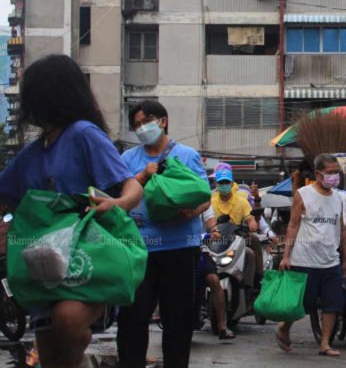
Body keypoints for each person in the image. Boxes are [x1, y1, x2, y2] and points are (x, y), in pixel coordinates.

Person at [0, 55, 143, 368]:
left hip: (87, 259)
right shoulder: (31, 154)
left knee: (67, 319)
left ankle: (83, 345)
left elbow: (132, 186)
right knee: (51, 357)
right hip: (44, 266)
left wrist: (117, 204)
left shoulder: (84, 134)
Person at [117, 100, 211, 368]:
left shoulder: (187, 155)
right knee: (132, 318)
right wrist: (143, 177)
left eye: (144, 121)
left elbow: (205, 197)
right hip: (138, 249)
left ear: (162, 121)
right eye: (136, 125)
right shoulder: (128, 160)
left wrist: (193, 213)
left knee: (179, 321)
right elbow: (119, 197)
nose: (140, 128)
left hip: (180, 248)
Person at [278, 154, 346, 358]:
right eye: (330, 172)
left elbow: (341, 228)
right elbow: (293, 225)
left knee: (332, 304)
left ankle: (325, 343)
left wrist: (345, 259)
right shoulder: (303, 194)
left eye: (337, 172)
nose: (334, 176)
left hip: (330, 261)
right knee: (303, 303)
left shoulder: (338, 198)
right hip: (304, 259)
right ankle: (284, 327)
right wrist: (286, 256)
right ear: (318, 174)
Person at [209, 168, 263, 289]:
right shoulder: (210, 203)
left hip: (236, 240)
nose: (224, 185)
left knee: (249, 253)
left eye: (226, 182)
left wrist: (252, 223)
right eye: (221, 183)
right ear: (217, 185)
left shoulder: (242, 202)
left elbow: (250, 218)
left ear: (232, 183)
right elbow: (205, 220)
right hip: (216, 242)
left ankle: (251, 286)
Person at [199, 210, 235, 340]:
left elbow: (210, 219)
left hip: (201, 251)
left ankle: (222, 327)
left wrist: (215, 231)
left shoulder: (203, 200)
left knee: (214, 280)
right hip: (180, 249)